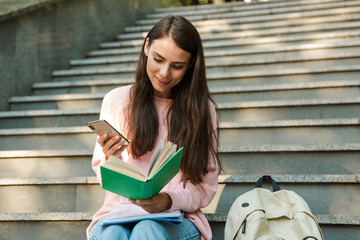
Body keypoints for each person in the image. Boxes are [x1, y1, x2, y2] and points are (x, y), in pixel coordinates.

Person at [87, 15, 222, 240]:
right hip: (119, 215)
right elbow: (104, 177)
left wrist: (167, 200)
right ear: (147, 46)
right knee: (112, 235)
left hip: (177, 218)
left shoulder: (202, 110)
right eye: (158, 59)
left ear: (190, 66)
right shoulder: (117, 100)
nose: (164, 73)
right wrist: (114, 158)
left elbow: (205, 186)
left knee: (146, 231)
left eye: (177, 66)